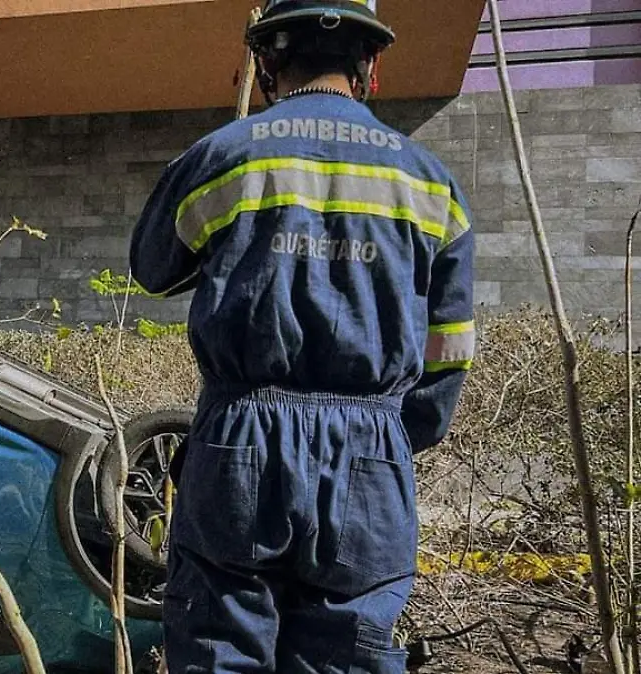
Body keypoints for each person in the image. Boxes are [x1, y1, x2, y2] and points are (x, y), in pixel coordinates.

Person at [128, 1, 476, 672]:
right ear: (370, 65)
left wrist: (220, 156)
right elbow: (450, 345)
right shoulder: (431, 182)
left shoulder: (225, 156)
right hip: (371, 455)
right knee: (345, 657)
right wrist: (396, 438)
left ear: (267, 62)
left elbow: (152, 269)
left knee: (218, 648)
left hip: (240, 446)